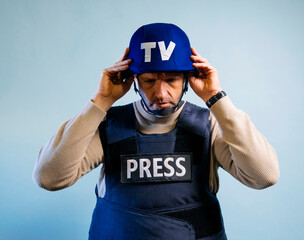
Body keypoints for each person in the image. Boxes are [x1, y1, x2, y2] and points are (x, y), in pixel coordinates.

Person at [33, 23, 280, 240]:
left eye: (171, 80)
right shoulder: (109, 124)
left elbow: (265, 176)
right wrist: (100, 101)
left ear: (187, 79)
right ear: (134, 81)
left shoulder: (209, 124)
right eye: (149, 81)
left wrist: (216, 98)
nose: (160, 93)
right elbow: (48, 178)